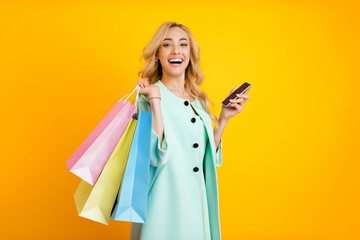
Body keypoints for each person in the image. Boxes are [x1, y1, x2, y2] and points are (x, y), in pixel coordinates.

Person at [130, 22, 250, 240]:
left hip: (197, 206)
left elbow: (206, 160)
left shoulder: (198, 102)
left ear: (189, 54)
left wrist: (223, 120)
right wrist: (155, 98)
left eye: (183, 44)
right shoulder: (148, 98)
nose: (176, 51)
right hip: (164, 209)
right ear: (157, 54)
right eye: (167, 45)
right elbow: (153, 156)